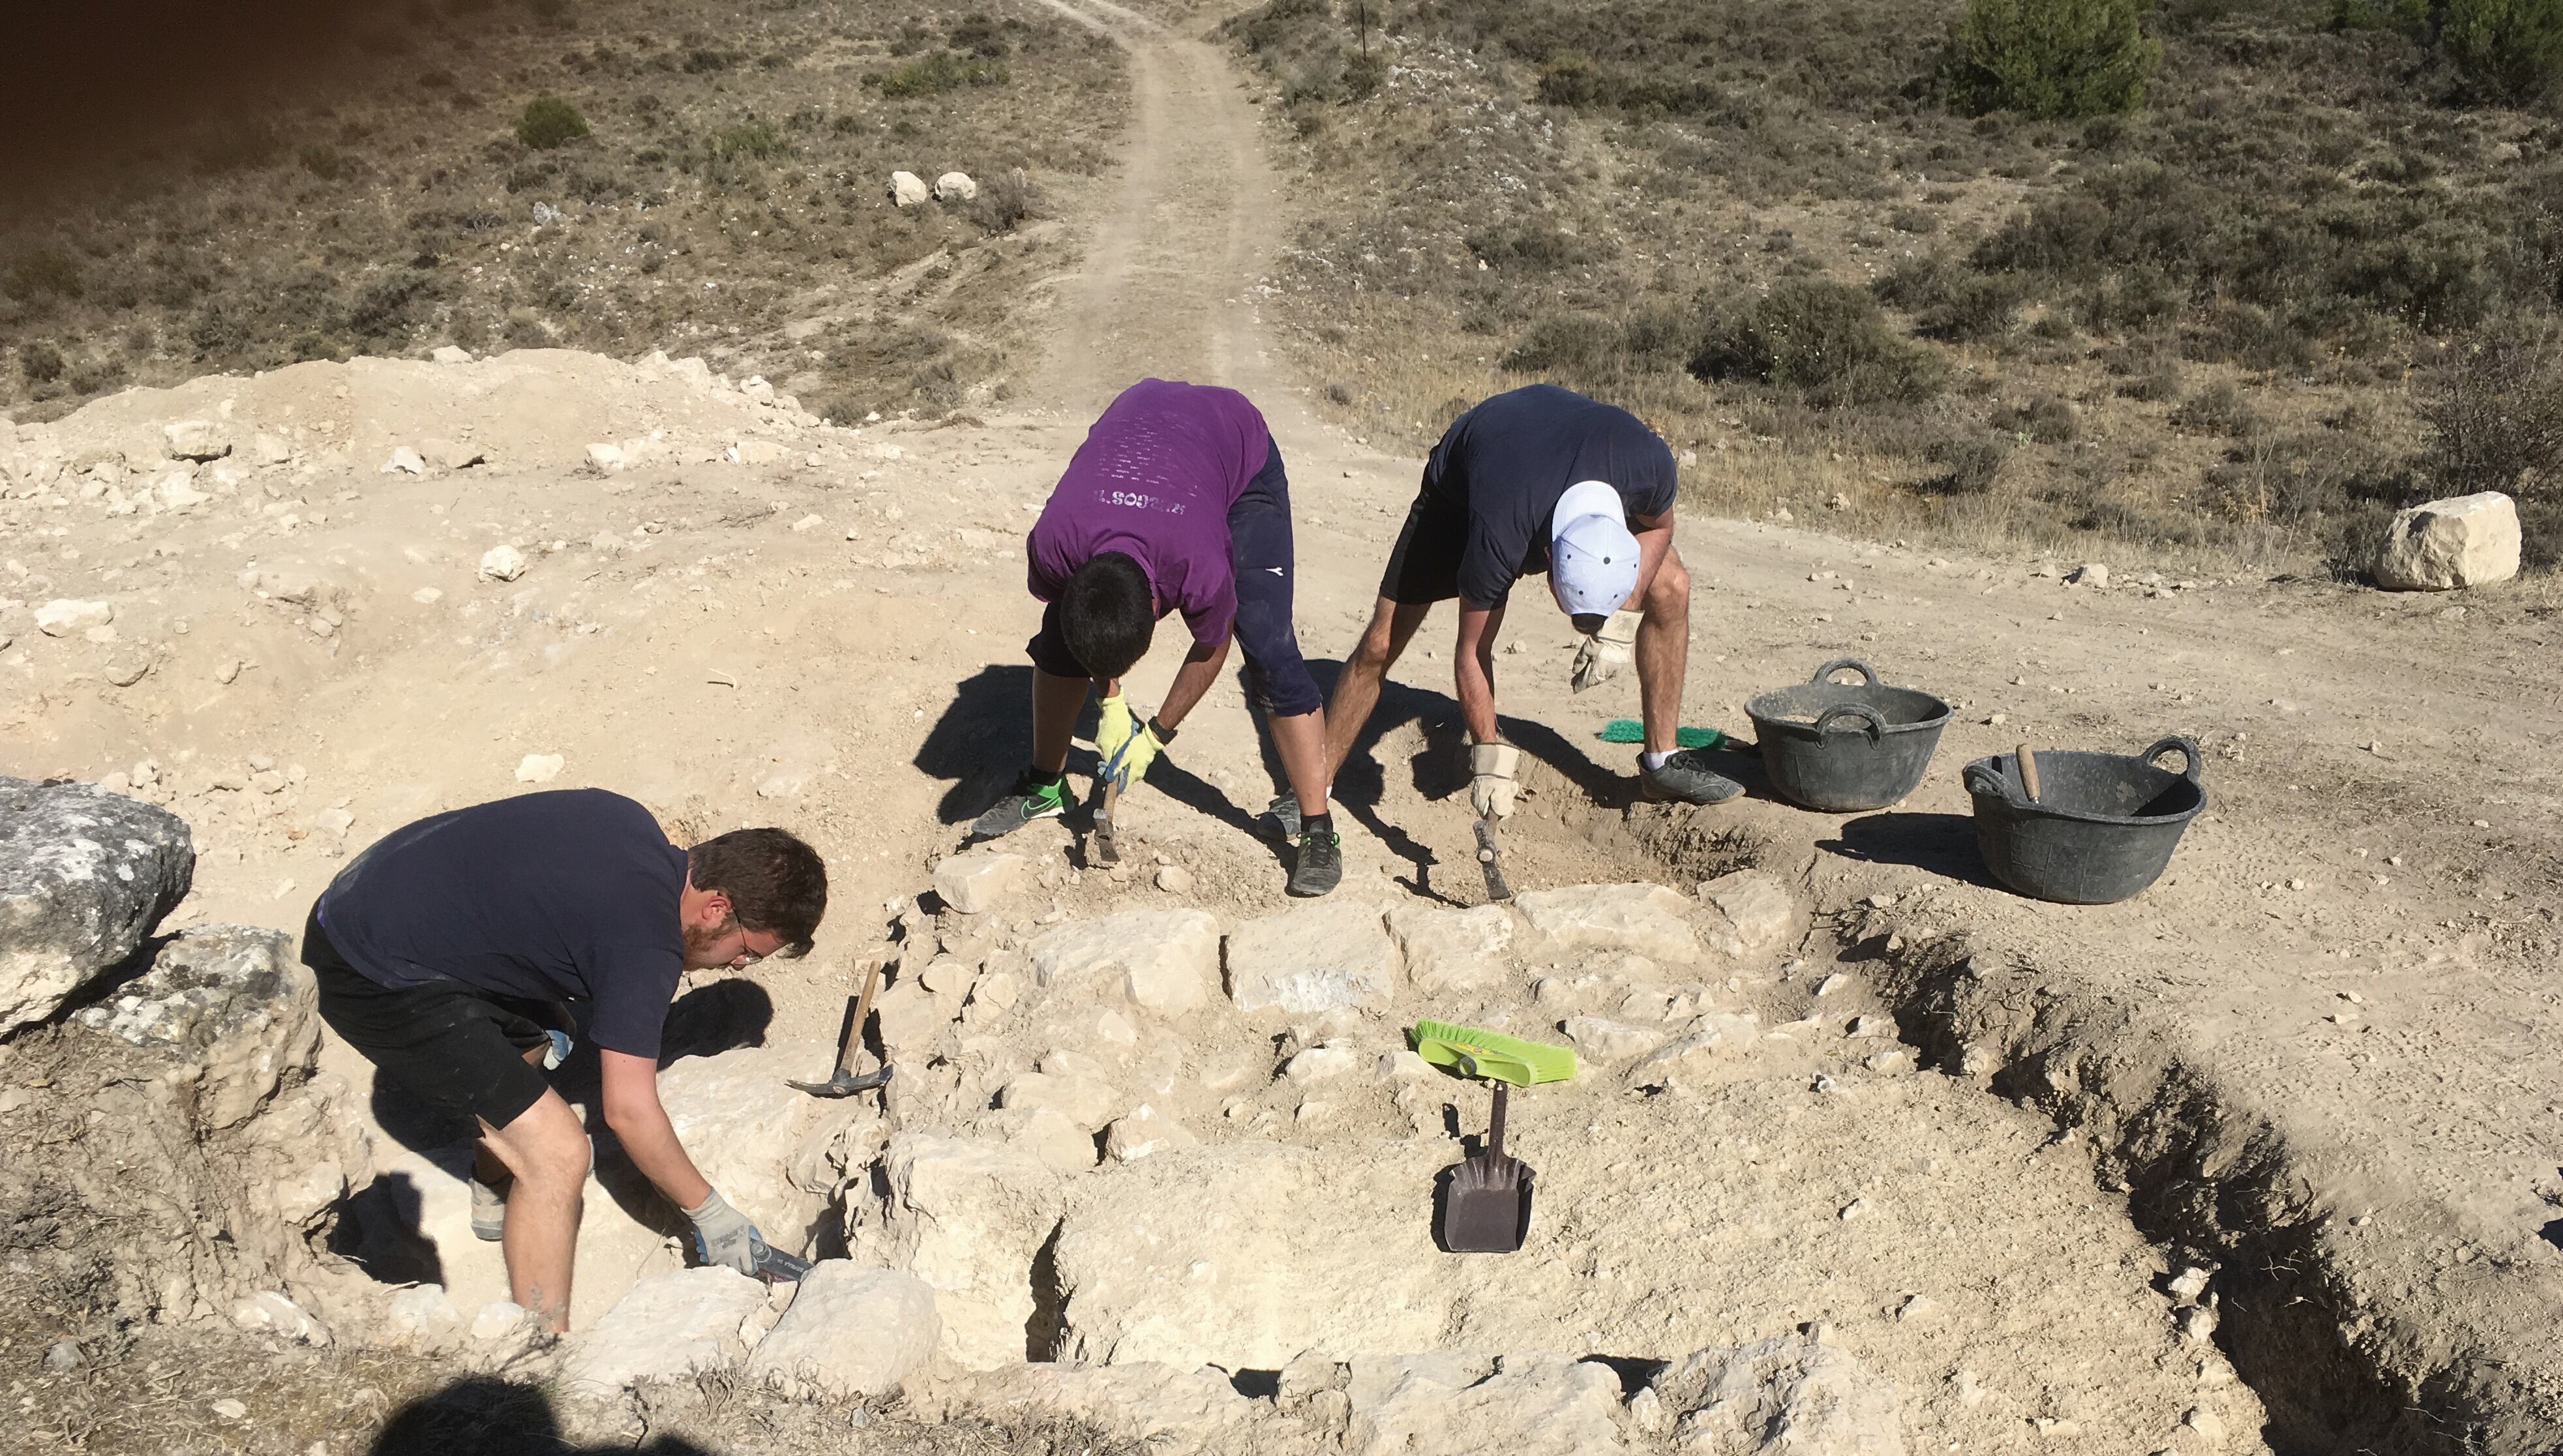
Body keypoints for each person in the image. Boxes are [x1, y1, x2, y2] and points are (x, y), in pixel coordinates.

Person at [302, 788, 827, 1331]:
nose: (740, 965)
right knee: (557, 1153)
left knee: (545, 1036)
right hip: (368, 969)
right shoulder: (645, 947)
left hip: (361, 898)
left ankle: (493, 1174)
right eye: (747, 950)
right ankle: (537, 1355)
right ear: (717, 908)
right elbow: (627, 1109)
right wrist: (711, 1215)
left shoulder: (627, 820)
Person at [1310, 383, 1739, 832]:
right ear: (1546, 560)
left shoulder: (1648, 467)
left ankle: (1661, 762)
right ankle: (1311, 790)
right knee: (1381, 642)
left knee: (1672, 585)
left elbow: (1661, 527)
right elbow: (1473, 652)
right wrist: (1489, 755)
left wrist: (1624, 618)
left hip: (1568, 460)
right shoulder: (1501, 535)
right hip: (1464, 488)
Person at [974, 377, 1340, 897]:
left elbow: (1213, 645)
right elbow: (1080, 623)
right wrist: (1111, 702)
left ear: (1159, 604)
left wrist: (1154, 736)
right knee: (1060, 638)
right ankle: (1045, 786)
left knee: (1270, 648)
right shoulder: (1055, 541)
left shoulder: (1196, 564)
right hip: (1140, 420)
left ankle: (1318, 827)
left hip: (1235, 450)